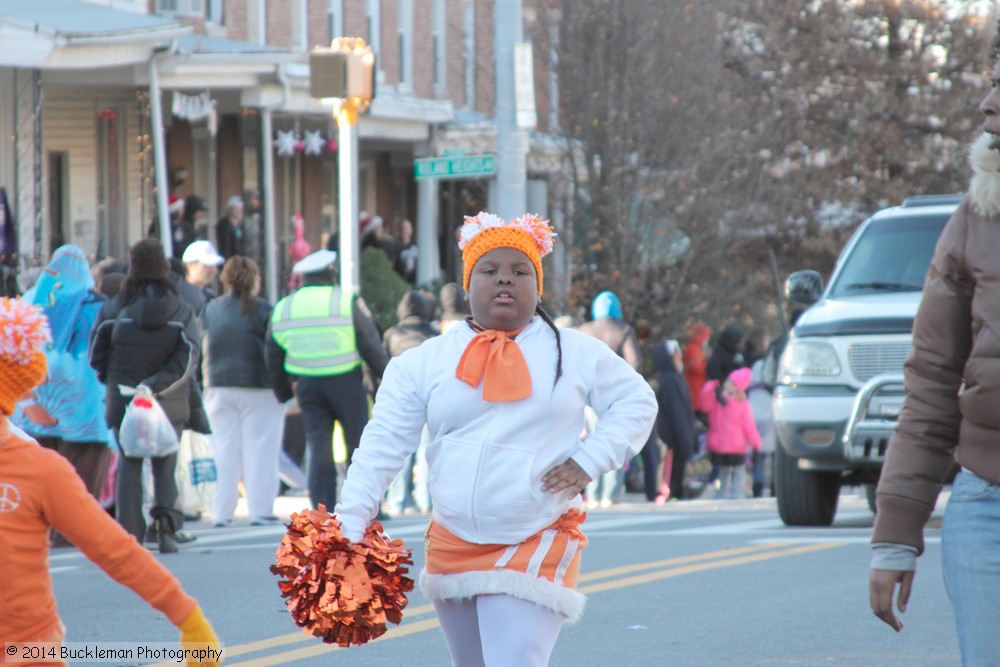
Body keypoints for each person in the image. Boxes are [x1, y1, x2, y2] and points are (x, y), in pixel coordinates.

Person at [334, 211, 657, 666]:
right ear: (468, 284)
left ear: (538, 286)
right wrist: (349, 526)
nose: (504, 280)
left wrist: (591, 459)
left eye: (519, 271)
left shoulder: (576, 350)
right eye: (489, 270)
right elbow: (383, 444)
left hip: (535, 534)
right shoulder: (424, 361)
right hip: (452, 541)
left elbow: (638, 401)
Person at [0, 297, 221, 667]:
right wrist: (186, 616)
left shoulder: (38, 467)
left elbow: (114, 548)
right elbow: (113, 549)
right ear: (27, 382)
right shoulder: (38, 467)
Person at [868, 50, 1000, 664]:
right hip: (987, 505)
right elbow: (932, 381)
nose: (988, 105)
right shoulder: (977, 217)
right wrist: (896, 534)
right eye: (994, 84)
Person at [89, 238, 201, 554]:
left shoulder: (113, 308)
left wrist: (113, 380)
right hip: (168, 400)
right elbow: (190, 355)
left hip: (122, 398)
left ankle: (130, 535)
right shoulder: (180, 308)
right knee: (165, 462)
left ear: (132, 268)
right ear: (164, 267)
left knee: (129, 463)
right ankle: (166, 528)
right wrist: (155, 384)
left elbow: (96, 355)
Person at [266, 249, 388, 511]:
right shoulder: (344, 301)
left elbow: (273, 352)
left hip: (308, 386)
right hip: (346, 383)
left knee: (319, 448)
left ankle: (322, 513)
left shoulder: (283, 307)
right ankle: (363, 507)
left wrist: (283, 392)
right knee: (358, 448)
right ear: (330, 273)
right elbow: (370, 344)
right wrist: (388, 379)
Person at [10, 246, 112, 547]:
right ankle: (72, 529)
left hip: (35, 403)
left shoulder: (28, 304)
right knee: (82, 469)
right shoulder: (95, 305)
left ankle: (36, 527)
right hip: (85, 407)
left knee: (40, 471)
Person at [201, 256, 285, 527]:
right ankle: (259, 510)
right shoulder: (264, 310)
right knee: (260, 449)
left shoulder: (211, 309)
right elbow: (274, 350)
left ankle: (221, 511)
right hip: (258, 386)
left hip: (217, 385)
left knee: (223, 450)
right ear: (254, 279)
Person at [577, 290, 643, 508]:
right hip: (613, 397)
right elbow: (634, 362)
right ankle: (610, 495)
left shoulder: (584, 330)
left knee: (591, 443)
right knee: (614, 442)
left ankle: (593, 494)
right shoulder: (623, 330)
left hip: (586, 397)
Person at [381, 290, 438, 515]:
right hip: (430, 398)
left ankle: (397, 501)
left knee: (400, 451)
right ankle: (426, 501)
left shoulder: (392, 334)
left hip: (401, 399)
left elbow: (381, 364)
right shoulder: (434, 335)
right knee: (426, 451)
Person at [700, 367, 760, 500]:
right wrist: (711, 386)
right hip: (721, 444)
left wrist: (755, 443)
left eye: (733, 383)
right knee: (723, 471)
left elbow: (749, 425)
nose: (728, 384)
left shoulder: (742, 403)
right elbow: (705, 406)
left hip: (737, 446)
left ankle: (737, 494)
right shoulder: (719, 400)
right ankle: (722, 494)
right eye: (729, 381)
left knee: (738, 471)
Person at [761, 270, 823, 390]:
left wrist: (778, 389)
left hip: (787, 394)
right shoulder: (820, 342)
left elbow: (767, 377)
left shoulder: (778, 344)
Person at [653, 339, 697, 504]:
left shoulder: (674, 378)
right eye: (676, 356)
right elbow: (677, 413)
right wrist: (685, 439)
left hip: (677, 436)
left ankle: (675, 491)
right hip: (671, 437)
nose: (680, 359)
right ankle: (668, 491)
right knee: (671, 467)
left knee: (678, 465)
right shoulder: (670, 380)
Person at [682, 321, 711, 417]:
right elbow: (696, 368)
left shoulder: (696, 348)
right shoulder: (694, 349)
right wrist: (707, 362)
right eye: (706, 336)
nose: (708, 339)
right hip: (695, 387)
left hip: (698, 387)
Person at [215, 194, 245, 260]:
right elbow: (225, 247)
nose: (240, 212)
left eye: (241, 209)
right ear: (230, 210)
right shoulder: (224, 226)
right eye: (237, 209)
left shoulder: (243, 225)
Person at [394, 218, 419, 284]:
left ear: (411, 231)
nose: (404, 231)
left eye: (407, 228)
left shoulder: (416, 248)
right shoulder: (395, 248)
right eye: (402, 228)